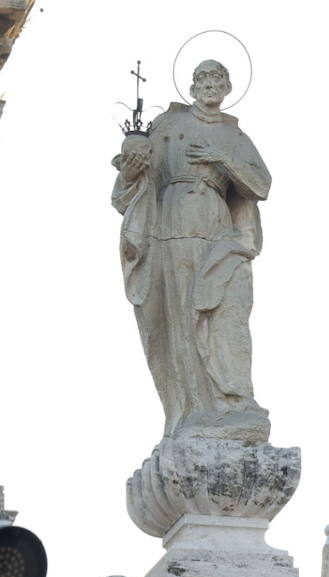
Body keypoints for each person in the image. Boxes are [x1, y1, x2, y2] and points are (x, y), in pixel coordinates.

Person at [112, 59, 273, 442]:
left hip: (218, 235)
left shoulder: (236, 138)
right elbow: (133, 182)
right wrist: (132, 166)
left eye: (218, 78)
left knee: (224, 313)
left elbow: (261, 186)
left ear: (229, 87)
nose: (210, 85)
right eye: (203, 78)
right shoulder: (168, 127)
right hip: (171, 230)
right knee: (181, 318)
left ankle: (231, 402)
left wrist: (224, 161)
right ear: (192, 85)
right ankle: (193, 410)